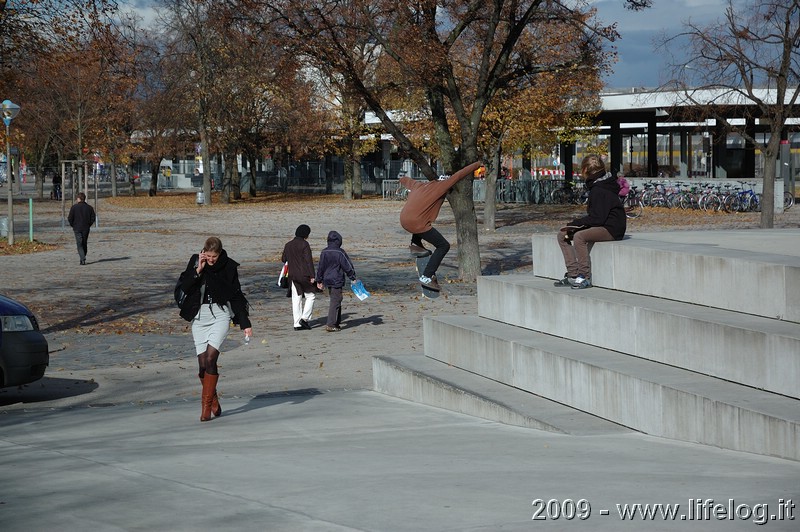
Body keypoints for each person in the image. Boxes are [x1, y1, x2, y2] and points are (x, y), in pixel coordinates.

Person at [178, 236, 252, 422]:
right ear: (204, 252)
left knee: (211, 358)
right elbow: (185, 287)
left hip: (220, 314)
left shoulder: (228, 267)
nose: (211, 260)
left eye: (214, 256)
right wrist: (198, 270)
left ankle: (205, 408)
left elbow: (235, 295)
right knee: (203, 365)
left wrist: (245, 323)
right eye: (208, 256)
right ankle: (213, 399)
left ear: (220, 253)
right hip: (200, 316)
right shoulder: (196, 261)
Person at [399, 161, 482, 291]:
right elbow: (459, 175)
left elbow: (404, 179)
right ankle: (426, 276)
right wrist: (478, 164)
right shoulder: (442, 186)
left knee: (421, 219)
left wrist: (403, 181)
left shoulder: (419, 185)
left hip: (404, 220)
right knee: (443, 246)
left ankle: (415, 245)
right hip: (417, 224)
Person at [555, 154, 626, 290]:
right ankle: (573, 275)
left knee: (579, 236)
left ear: (586, 170)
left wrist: (574, 224)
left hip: (611, 229)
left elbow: (597, 218)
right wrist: (572, 226)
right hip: (602, 224)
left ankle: (584, 276)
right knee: (563, 236)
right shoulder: (601, 184)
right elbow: (597, 216)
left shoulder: (599, 189)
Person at [316, 231, 357, 332]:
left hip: (327, 279)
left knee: (336, 299)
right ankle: (331, 324)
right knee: (335, 300)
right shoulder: (340, 252)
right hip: (336, 279)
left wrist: (319, 279)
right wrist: (352, 277)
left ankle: (336, 322)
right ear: (339, 241)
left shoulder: (324, 252)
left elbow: (320, 267)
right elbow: (347, 266)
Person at [281, 224, 317, 331]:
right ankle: (304, 318)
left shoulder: (288, 245)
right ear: (306, 234)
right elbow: (308, 261)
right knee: (311, 296)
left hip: (292, 275)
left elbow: (283, 259)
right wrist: (312, 276)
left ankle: (296, 323)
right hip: (304, 274)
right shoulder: (305, 244)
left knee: (296, 299)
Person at [67, 192, 96, 265]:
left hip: (77, 227)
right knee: (84, 243)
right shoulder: (89, 208)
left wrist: (73, 225)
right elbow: (93, 217)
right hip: (86, 228)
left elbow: (70, 218)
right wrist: (89, 224)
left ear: (79, 199)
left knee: (79, 243)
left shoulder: (74, 207)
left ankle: (82, 258)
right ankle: (82, 258)